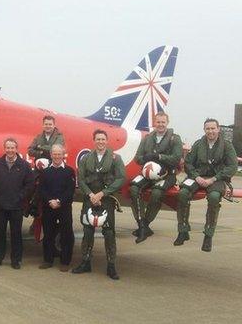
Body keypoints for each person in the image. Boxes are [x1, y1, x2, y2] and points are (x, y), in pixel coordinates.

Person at [175, 118, 237, 252]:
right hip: (198, 177)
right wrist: (196, 177)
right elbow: (188, 163)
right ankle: (183, 230)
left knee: (214, 197)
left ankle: (208, 235)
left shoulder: (227, 146)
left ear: (218, 129)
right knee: (183, 193)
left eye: (213, 128)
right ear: (204, 130)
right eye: (207, 129)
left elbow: (232, 166)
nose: (210, 131)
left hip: (217, 179)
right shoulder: (198, 144)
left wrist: (214, 178)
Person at [72, 129, 125, 280]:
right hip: (90, 198)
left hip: (106, 198)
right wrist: (91, 195)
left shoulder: (115, 158)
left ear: (106, 141)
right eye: (98, 139)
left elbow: (120, 178)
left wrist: (102, 194)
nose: (100, 142)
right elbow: (81, 179)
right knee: (87, 231)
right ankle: (85, 262)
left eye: (103, 139)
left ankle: (111, 265)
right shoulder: (86, 158)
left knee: (109, 233)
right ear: (94, 141)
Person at [129, 112, 182, 243]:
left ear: (167, 123)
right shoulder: (147, 138)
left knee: (157, 193)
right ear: (154, 123)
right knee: (134, 188)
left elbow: (176, 158)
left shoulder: (175, 139)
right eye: (158, 122)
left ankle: (146, 224)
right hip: (148, 174)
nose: (160, 124)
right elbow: (138, 157)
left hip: (167, 174)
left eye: (163, 122)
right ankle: (141, 223)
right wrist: (146, 158)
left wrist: (159, 157)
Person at [0, 138, 35, 269]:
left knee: (16, 234)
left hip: (16, 206)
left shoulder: (24, 165)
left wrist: (20, 196)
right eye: (8, 147)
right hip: (0, 206)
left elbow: (30, 184)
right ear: (4, 148)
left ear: (16, 149)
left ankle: (16, 260)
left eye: (12, 148)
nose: (10, 150)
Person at [37, 144, 75, 272]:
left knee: (66, 235)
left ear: (63, 155)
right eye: (55, 154)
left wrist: (59, 201)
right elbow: (42, 189)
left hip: (64, 207)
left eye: (59, 154)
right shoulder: (45, 172)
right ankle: (48, 260)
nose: (57, 156)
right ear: (51, 155)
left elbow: (70, 191)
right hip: (49, 207)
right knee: (48, 234)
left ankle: (65, 262)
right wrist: (50, 201)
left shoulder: (69, 171)